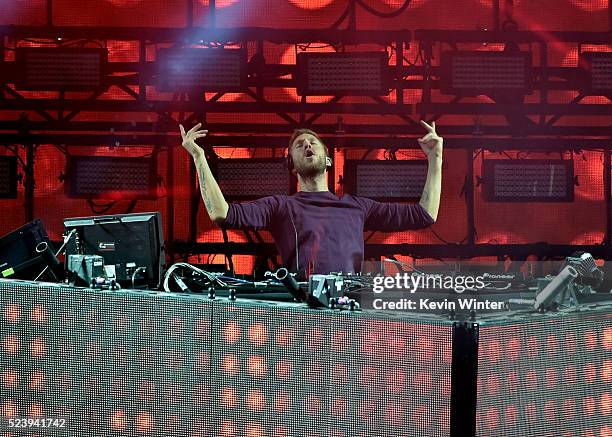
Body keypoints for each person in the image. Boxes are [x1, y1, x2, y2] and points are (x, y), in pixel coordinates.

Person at [179, 121, 442, 275]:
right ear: (291, 164)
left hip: (349, 311)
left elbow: (425, 214)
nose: (307, 145)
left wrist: (435, 158)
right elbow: (221, 213)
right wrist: (199, 158)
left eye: (312, 142)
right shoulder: (280, 206)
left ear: (327, 160)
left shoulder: (357, 206)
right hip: (302, 314)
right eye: (299, 144)